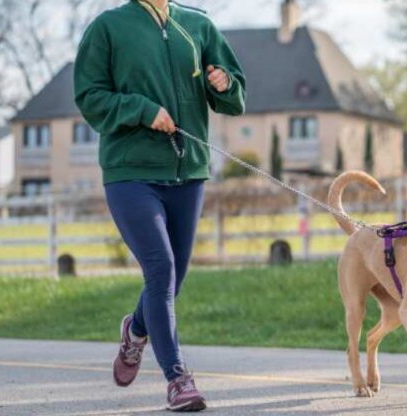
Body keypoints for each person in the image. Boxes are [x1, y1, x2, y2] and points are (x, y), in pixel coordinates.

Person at [74, 0, 246, 411]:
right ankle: (177, 378)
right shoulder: (108, 27)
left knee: (173, 278)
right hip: (130, 171)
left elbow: (234, 98)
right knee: (161, 268)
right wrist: (142, 110)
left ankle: (136, 331)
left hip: (188, 173)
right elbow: (90, 97)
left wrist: (223, 83)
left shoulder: (198, 25)